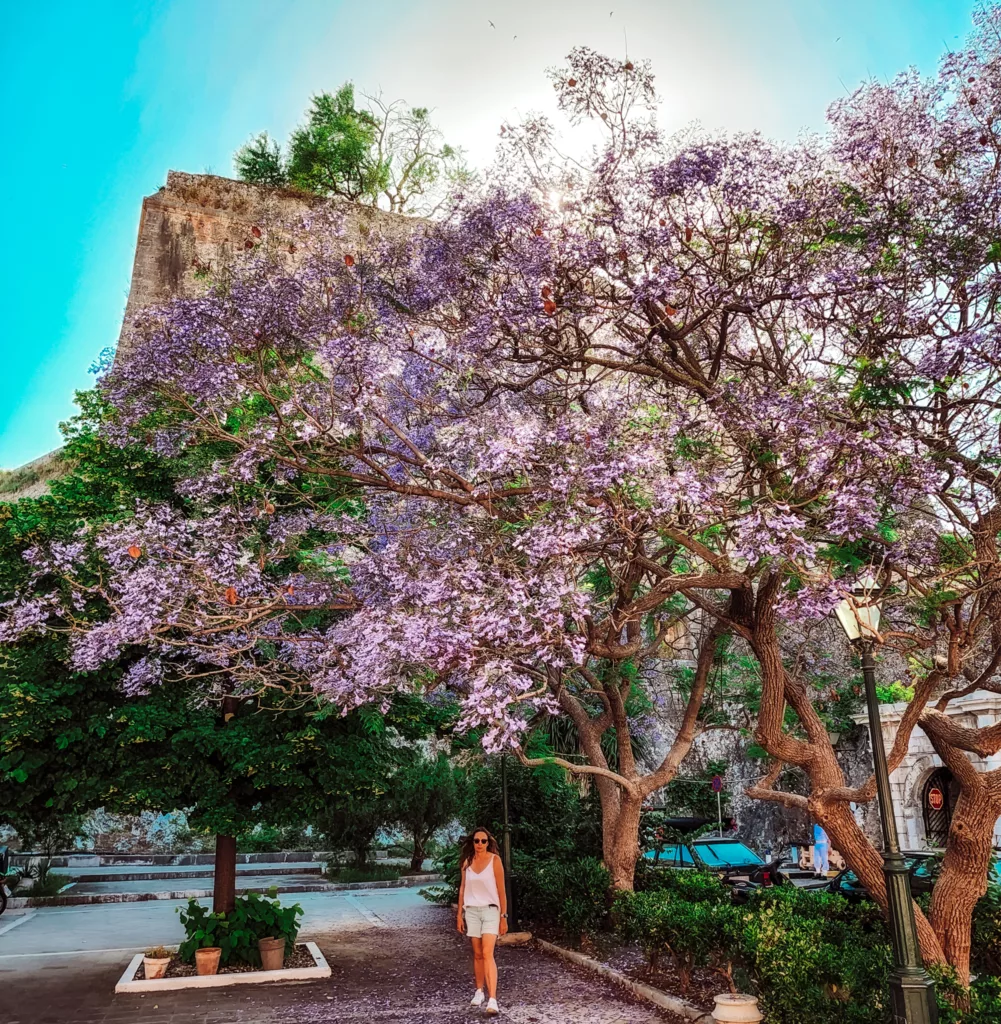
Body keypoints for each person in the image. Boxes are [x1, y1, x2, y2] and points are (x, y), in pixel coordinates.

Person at [457, 827, 508, 1015]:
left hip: (491, 911)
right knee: (478, 954)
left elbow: (501, 891)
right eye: (477, 841)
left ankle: (493, 999)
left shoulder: (495, 861)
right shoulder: (467, 862)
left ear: (489, 842)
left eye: (483, 841)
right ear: (472, 842)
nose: (480, 844)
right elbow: (462, 888)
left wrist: (504, 917)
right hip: (471, 911)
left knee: (488, 953)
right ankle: (479, 991)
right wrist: (459, 914)